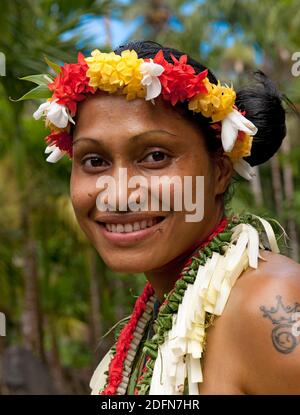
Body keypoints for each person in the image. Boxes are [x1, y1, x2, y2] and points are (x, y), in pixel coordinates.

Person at [21, 40, 300, 395]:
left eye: (154, 156)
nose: (118, 196)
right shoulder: (163, 310)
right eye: (94, 161)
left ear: (220, 171)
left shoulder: (267, 306)